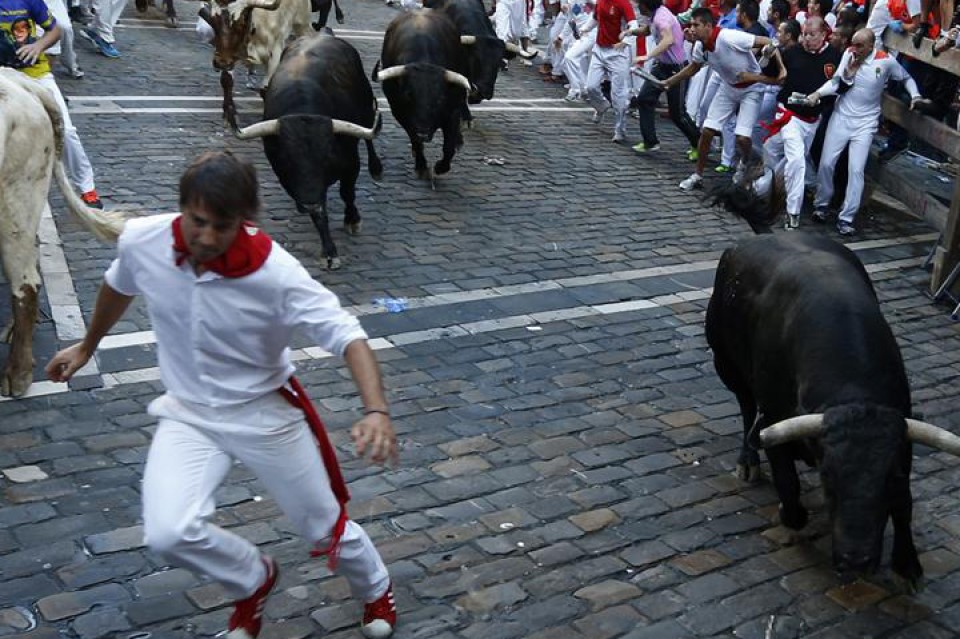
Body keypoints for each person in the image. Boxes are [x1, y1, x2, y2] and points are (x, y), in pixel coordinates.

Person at [45, 151, 399, 639]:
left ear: (246, 221)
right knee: (169, 533)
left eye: (223, 226)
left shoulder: (276, 272)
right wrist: (87, 345)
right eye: (198, 222)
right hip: (188, 414)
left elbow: (347, 335)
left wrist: (376, 410)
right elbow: (117, 285)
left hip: (264, 414)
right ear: (183, 208)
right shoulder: (143, 239)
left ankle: (376, 588)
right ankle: (252, 579)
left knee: (324, 527)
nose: (207, 237)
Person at [802, 27, 926, 235]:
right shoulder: (848, 55)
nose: (855, 48)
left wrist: (915, 96)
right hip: (841, 117)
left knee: (856, 170)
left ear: (871, 45)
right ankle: (822, 205)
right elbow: (836, 81)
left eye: (860, 45)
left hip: (866, 123)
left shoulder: (884, 61)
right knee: (826, 163)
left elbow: (906, 78)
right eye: (853, 43)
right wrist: (817, 93)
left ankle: (846, 217)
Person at [0, 0, 102, 206]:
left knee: (66, 131)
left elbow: (55, 30)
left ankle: (87, 187)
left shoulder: (29, 0)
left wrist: (38, 46)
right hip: (3, 77)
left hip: (36, 74)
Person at [662, 6, 775, 190]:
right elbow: (694, 67)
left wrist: (768, 58)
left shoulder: (730, 37)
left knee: (743, 138)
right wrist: (670, 81)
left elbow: (767, 41)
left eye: (696, 25)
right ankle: (697, 175)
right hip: (728, 88)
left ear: (708, 26)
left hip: (752, 89)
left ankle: (744, 164)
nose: (691, 28)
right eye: (691, 24)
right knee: (707, 130)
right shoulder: (700, 47)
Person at [745, 16, 841, 229]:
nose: (806, 39)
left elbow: (838, 86)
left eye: (811, 34)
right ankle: (792, 213)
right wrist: (767, 57)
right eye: (804, 34)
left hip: (812, 120)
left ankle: (758, 189)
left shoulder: (834, 56)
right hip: (789, 115)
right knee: (797, 161)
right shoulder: (793, 52)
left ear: (824, 34)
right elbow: (769, 71)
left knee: (780, 157)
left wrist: (820, 103)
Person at [627, 0, 701, 154]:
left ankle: (699, 145)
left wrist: (646, 56)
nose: (638, 6)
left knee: (677, 113)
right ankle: (650, 141)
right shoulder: (655, 14)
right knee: (644, 99)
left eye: (640, 3)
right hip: (661, 66)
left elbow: (668, 40)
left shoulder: (661, 17)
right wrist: (630, 32)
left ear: (647, 5)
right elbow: (649, 29)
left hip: (677, 68)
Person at [580, 0, 640, 142]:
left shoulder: (623, 3)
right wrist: (584, 29)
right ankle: (601, 105)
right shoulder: (600, 2)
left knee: (618, 94)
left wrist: (625, 42)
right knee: (591, 86)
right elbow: (595, 19)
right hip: (599, 50)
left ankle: (620, 130)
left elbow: (634, 25)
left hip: (617, 53)